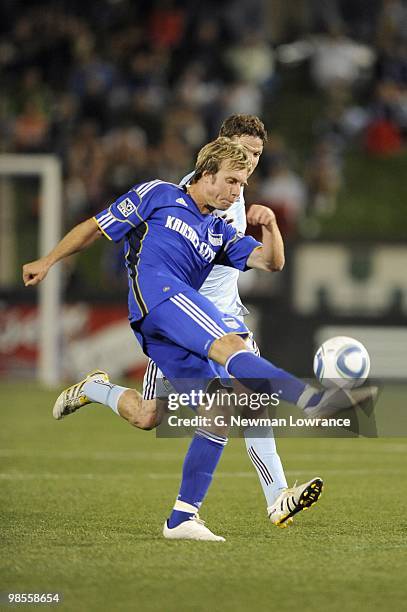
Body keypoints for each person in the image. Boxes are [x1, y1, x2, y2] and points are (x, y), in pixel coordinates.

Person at [23, 137, 374, 541]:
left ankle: (181, 517)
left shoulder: (219, 231)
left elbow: (270, 262)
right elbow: (95, 228)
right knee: (232, 349)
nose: (236, 191)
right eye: (231, 181)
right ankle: (315, 402)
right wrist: (48, 260)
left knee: (216, 409)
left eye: (242, 184)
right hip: (160, 296)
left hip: (168, 328)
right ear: (206, 174)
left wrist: (272, 226)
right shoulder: (158, 194)